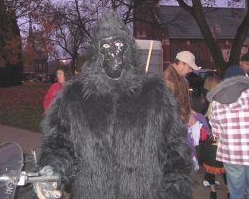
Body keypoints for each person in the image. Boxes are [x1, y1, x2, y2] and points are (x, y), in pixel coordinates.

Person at [34, 11, 193, 199]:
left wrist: (174, 191)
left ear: (129, 49)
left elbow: (175, 151)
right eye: (106, 45)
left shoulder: (155, 94)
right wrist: (52, 172)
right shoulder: (73, 96)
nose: (113, 52)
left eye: (119, 44)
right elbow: (58, 145)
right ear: (97, 51)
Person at [207, 65, 249, 199]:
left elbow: (216, 133)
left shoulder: (217, 102)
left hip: (231, 155)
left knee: (236, 193)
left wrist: (215, 144)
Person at [200, 75, 229, 199]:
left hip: (211, 138)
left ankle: (213, 192)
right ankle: (229, 191)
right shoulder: (224, 99)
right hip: (222, 138)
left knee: (211, 165)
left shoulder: (207, 101)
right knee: (226, 167)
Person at [163, 50, 199, 124]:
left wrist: (189, 111)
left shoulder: (179, 77)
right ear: (181, 64)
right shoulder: (169, 78)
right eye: (189, 68)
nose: (190, 71)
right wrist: (186, 119)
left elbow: (182, 101)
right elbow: (170, 107)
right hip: (174, 126)